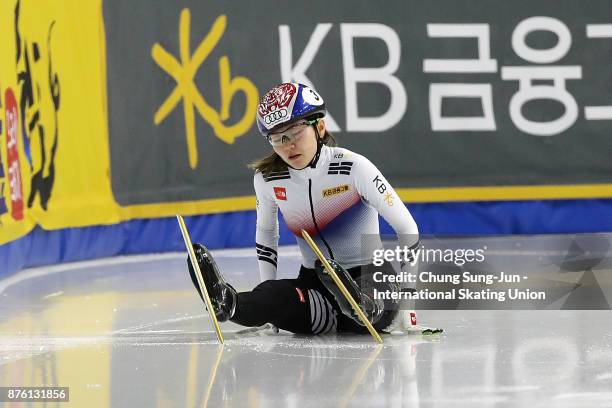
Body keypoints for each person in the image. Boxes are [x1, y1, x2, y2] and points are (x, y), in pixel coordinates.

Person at [188, 82, 420, 335]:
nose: (288, 146)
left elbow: (407, 228)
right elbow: (266, 234)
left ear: (319, 127)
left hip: (369, 274)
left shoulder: (355, 168)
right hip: (316, 284)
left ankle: (363, 305)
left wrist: (408, 302)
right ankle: (227, 303)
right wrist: (269, 302)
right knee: (275, 298)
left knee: (370, 300)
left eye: (296, 132)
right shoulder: (268, 178)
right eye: (277, 138)